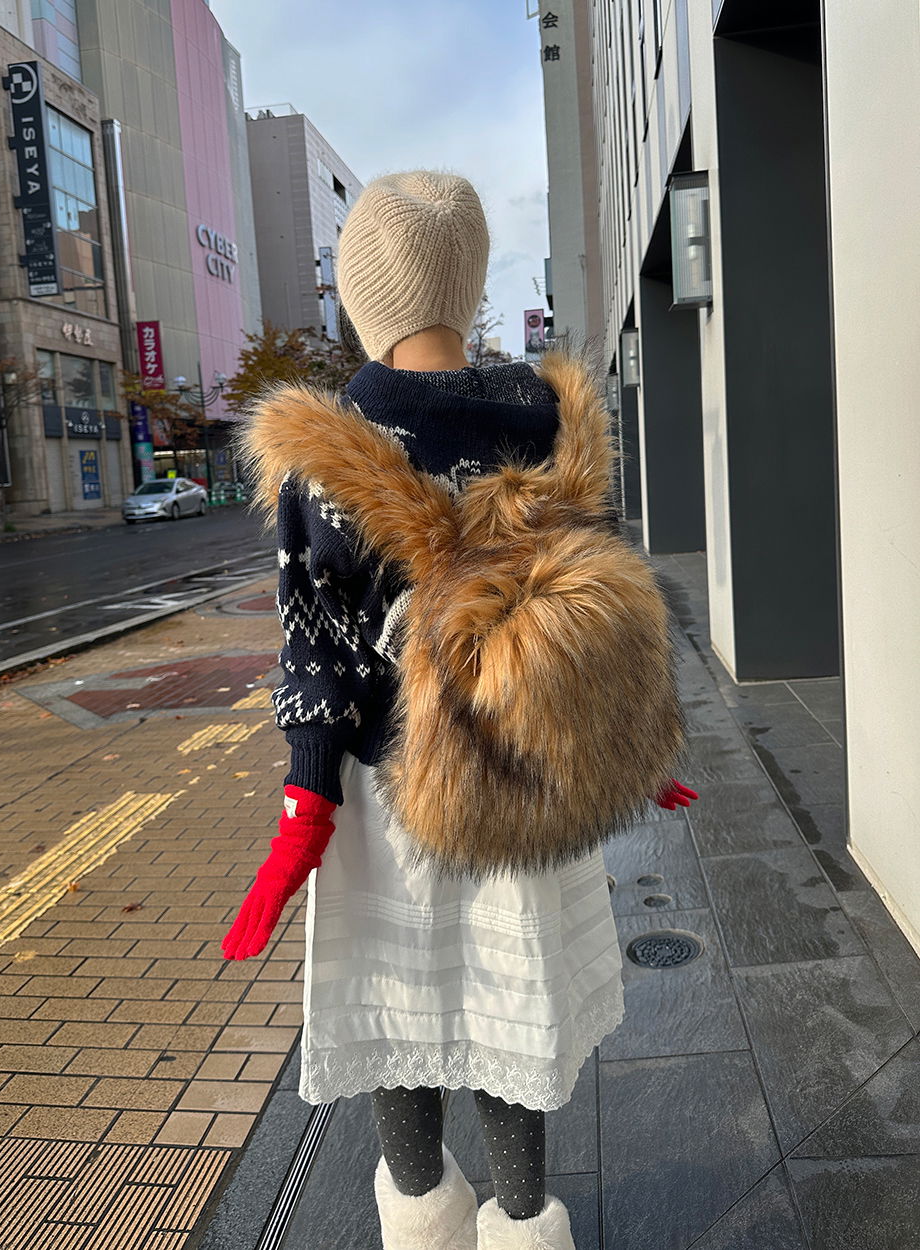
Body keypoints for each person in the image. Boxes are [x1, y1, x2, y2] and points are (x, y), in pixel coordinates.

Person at [223, 169, 697, 1250]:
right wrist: (640, 747)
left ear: (362, 294)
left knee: (404, 1020)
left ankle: (424, 1222)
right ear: (470, 281)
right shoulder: (548, 423)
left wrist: (303, 804)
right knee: (506, 1018)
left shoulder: (327, 452)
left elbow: (315, 646)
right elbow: (593, 610)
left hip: (389, 794)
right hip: (527, 774)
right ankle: (524, 1222)